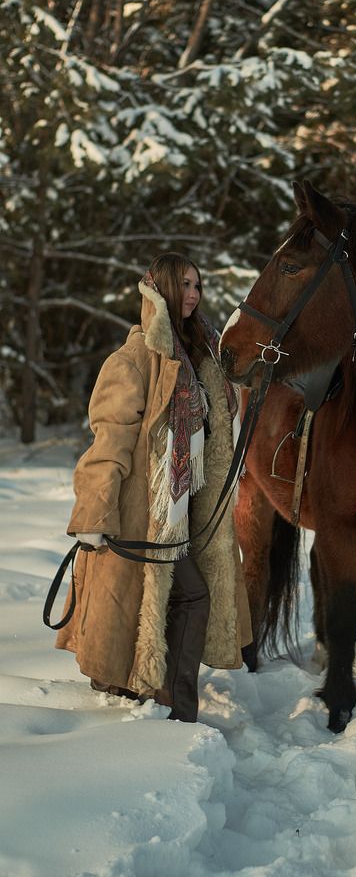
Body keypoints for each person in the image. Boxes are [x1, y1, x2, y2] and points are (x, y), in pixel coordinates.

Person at [56, 253, 252, 722]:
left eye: (197, 286)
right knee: (179, 600)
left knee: (167, 604)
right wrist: (94, 516)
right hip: (142, 515)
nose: (192, 294)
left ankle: (158, 703)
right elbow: (109, 443)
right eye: (183, 284)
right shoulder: (133, 359)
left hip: (183, 511)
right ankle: (174, 712)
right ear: (160, 289)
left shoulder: (201, 356)